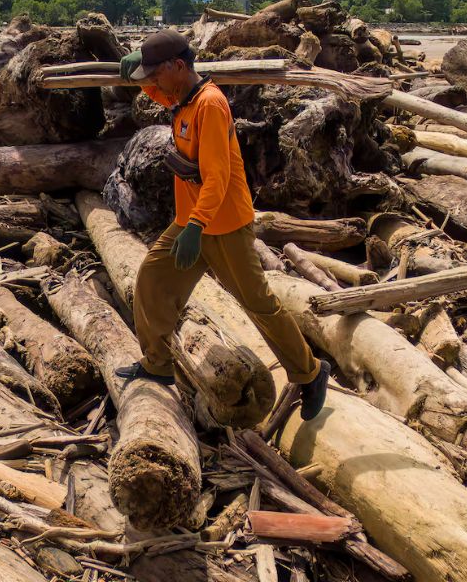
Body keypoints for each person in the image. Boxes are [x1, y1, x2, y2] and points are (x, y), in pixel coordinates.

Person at [115, 30, 330, 421]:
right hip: (192, 220)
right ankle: (157, 363)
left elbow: (218, 177)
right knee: (151, 278)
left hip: (223, 224)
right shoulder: (181, 99)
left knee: (258, 303)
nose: (155, 82)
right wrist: (136, 74)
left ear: (178, 66)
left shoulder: (210, 105)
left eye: (157, 73)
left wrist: (195, 227)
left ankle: (311, 372)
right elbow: (158, 93)